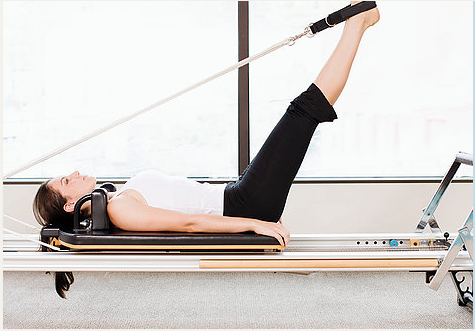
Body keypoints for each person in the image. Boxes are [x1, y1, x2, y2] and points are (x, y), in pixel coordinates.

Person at [34, 2, 379, 253]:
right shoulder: (118, 208)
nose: (74, 173)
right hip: (245, 204)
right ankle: (358, 23)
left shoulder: (118, 199)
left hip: (238, 193)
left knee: (301, 113)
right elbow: (189, 224)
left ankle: (360, 22)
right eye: (67, 180)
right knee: (303, 112)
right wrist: (253, 224)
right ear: (69, 205)